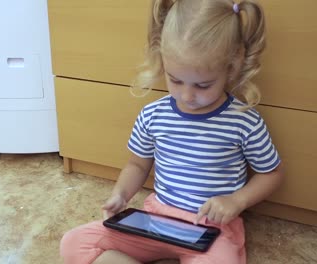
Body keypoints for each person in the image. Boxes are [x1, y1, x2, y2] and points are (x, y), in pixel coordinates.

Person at [60, 0, 284, 263]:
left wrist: (236, 201)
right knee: (73, 243)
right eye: (175, 80)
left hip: (211, 228)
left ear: (231, 66)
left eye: (203, 85)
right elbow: (136, 165)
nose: (187, 96)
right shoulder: (153, 115)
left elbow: (272, 173)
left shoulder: (243, 121)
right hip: (155, 220)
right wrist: (120, 194)